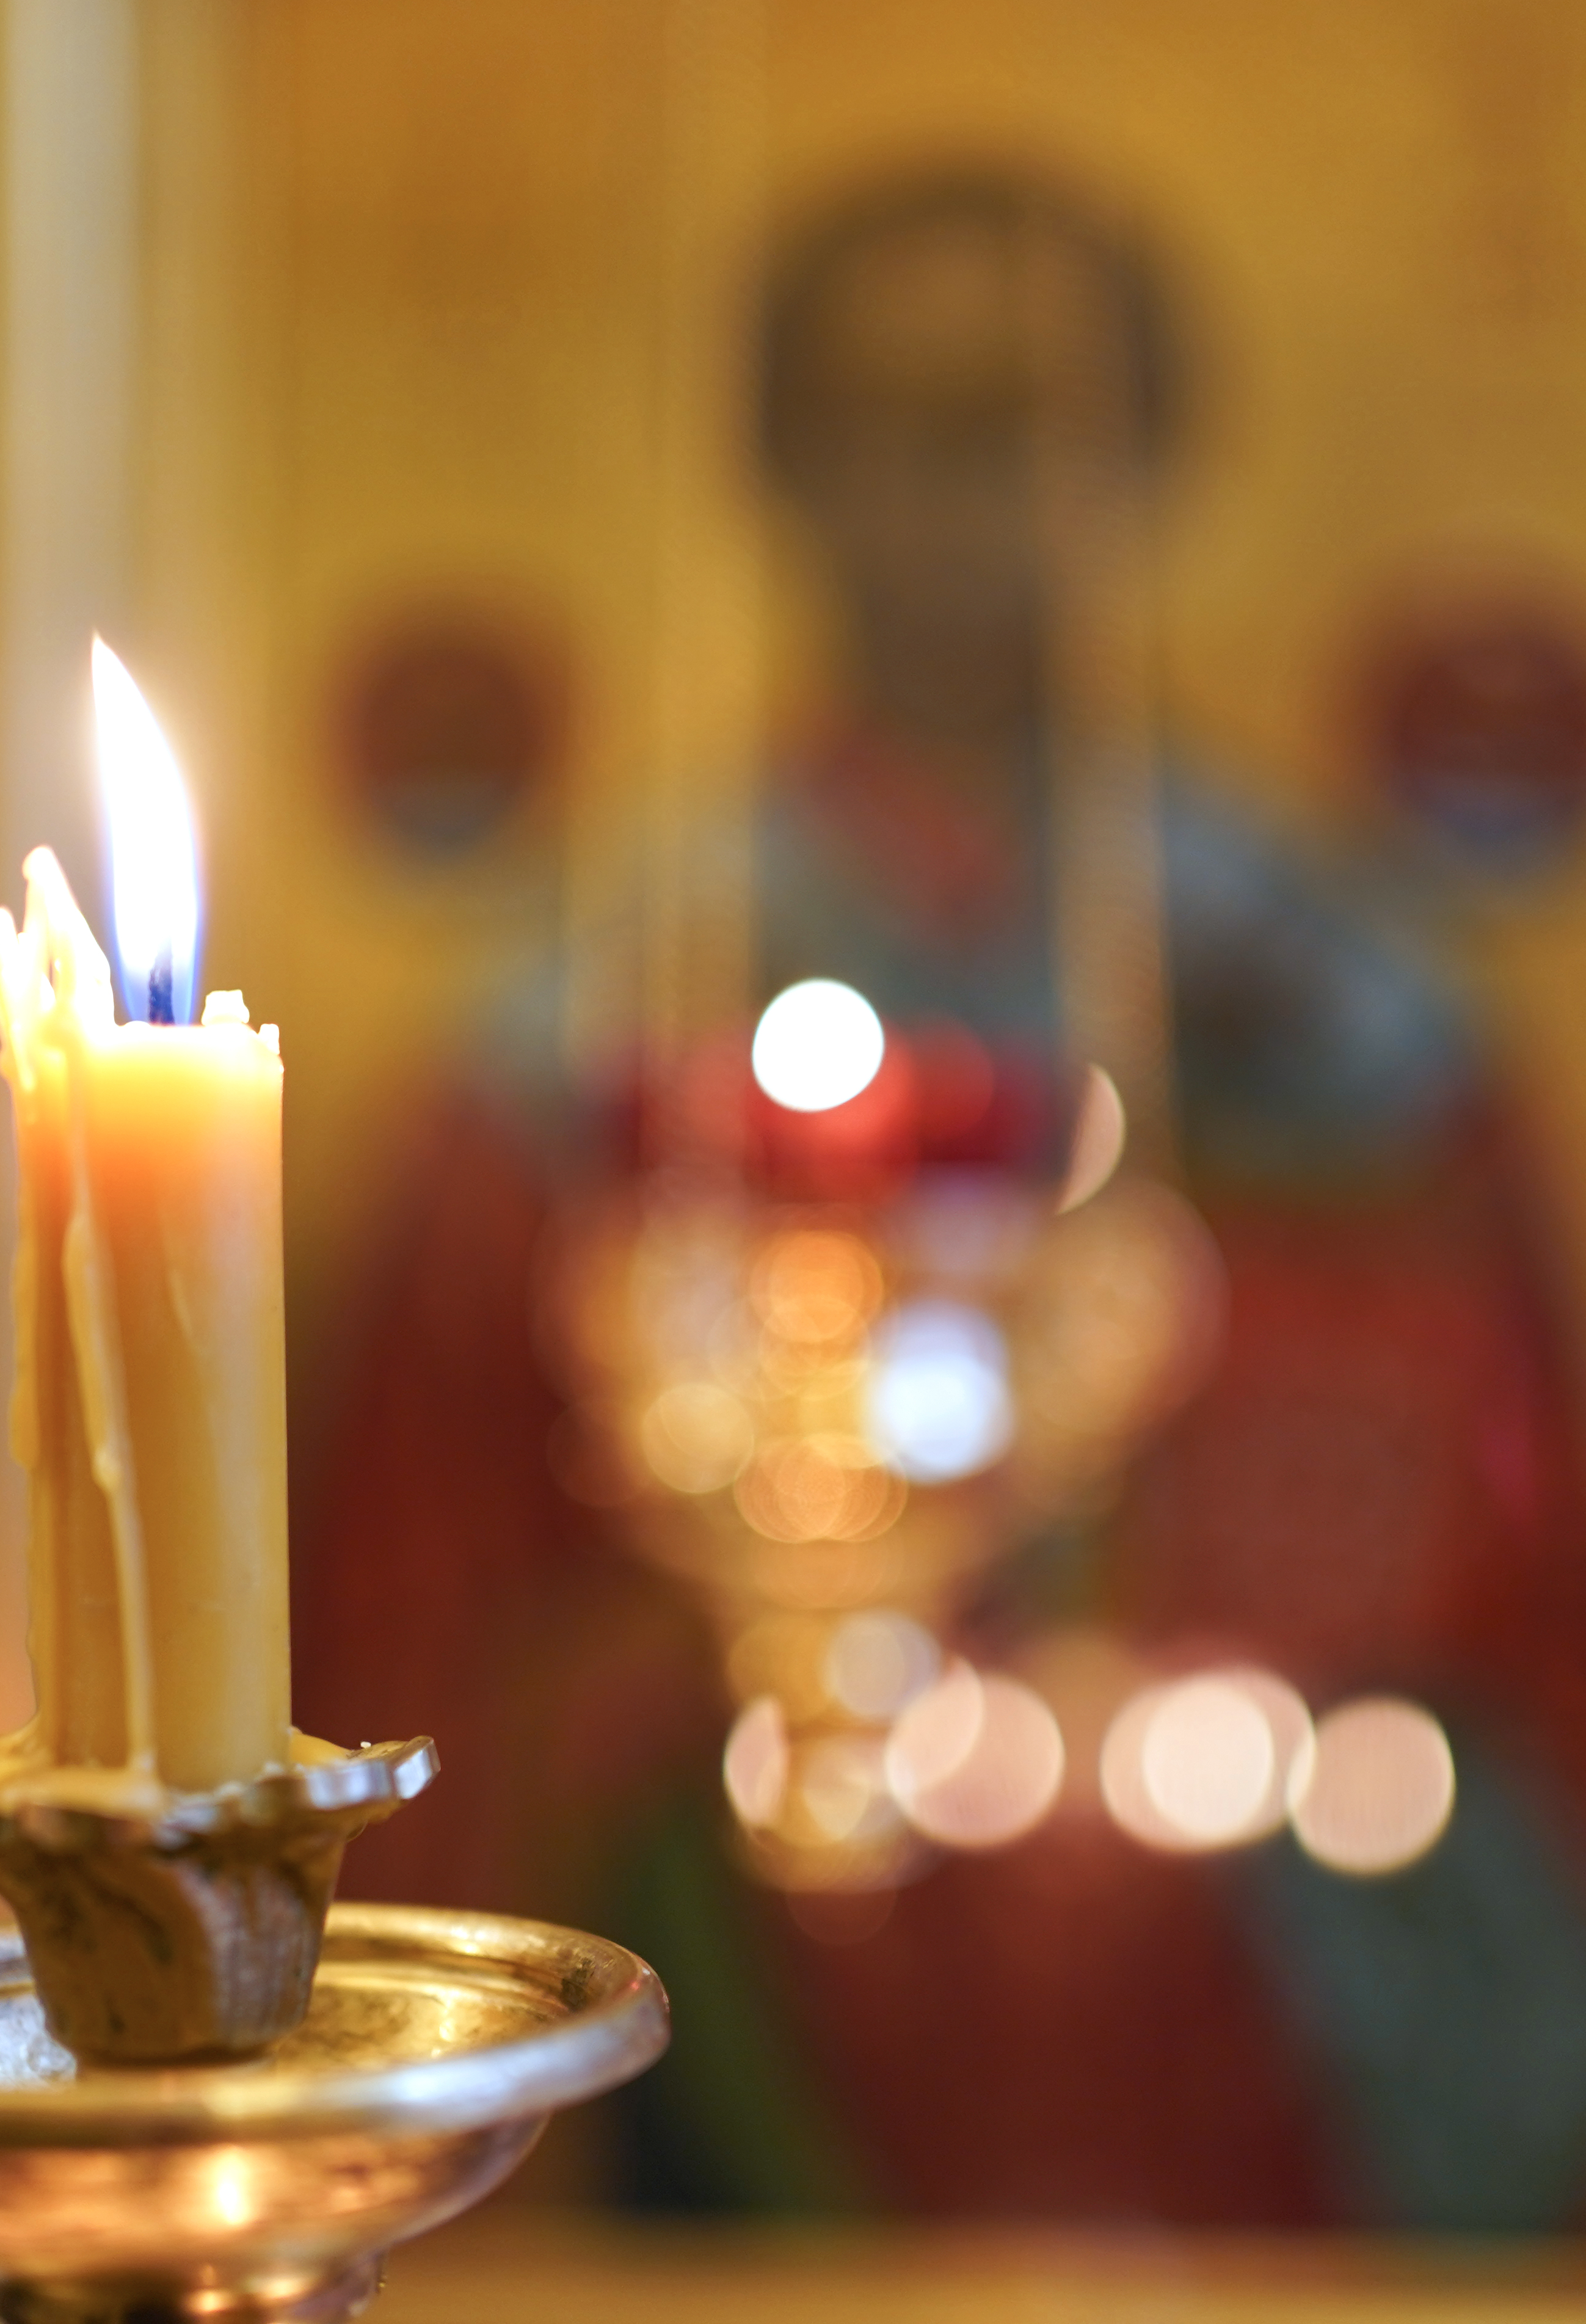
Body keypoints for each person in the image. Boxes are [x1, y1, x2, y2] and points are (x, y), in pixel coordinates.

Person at [296, 169, 1586, 2229]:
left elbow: (1529, 1584)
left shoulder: (1349, 1007)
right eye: (899, 424)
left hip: (1276, 1998)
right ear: (785, 468)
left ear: (1150, 459)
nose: (970, 500)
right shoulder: (590, 1010)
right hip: (749, 1938)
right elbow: (416, 1610)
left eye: (1030, 423)